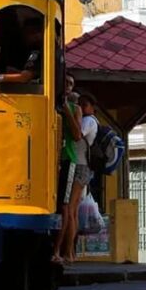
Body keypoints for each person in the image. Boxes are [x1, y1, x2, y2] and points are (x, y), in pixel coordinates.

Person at [52, 73, 83, 264]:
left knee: (65, 207)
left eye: (71, 83)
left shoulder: (75, 108)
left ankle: (59, 251)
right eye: (65, 82)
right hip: (50, 160)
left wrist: (66, 110)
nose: (68, 86)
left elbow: (77, 135)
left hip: (67, 159)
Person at [0, 17, 44, 89]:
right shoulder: (17, 50)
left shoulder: (38, 52)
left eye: (33, 32)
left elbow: (25, 77)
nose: (35, 36)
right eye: (28, 33)